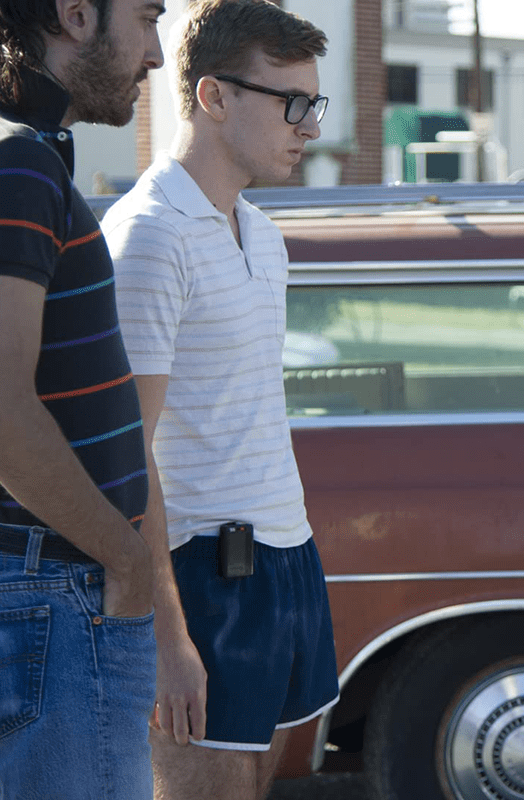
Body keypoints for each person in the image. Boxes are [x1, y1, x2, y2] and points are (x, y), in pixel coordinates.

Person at [101, 2, 337, 798]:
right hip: (201, 571)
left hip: (286, 552)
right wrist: (166, 635)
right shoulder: (149, 236)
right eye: (291, 102)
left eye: (314, 103)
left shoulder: (263, 234)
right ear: (213, 96)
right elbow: (126, 455)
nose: (310, 126)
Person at [0, 1, 165, 798]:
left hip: (52, 588)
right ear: (75, 15)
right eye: (147, 18)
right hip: (57, 592)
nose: (156, 54)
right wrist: (125, 562)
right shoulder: (21, 166)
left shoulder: (30, 161)